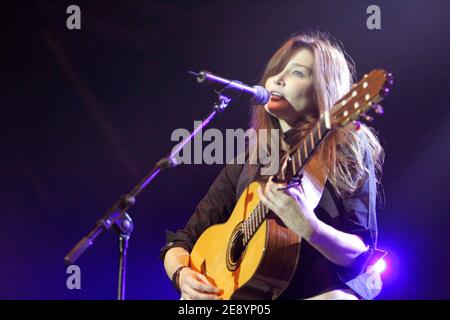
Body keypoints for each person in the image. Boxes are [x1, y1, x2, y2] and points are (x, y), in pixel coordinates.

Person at [160, 31, 386, 300]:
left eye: (298, 73)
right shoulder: (248, 161)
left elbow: (361, 254)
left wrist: (309, 226)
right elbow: (181, 242)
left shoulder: (346, 150)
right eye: (277, 71)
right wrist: (182, 276)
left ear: (322, 91)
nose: (278, 79)